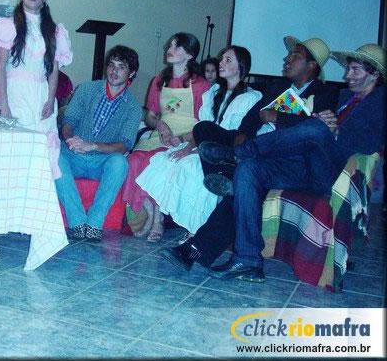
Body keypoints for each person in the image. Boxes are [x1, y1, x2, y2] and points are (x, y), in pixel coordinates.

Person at [160, 44, 385, 283]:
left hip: (331, 171)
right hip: (300, 165)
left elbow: (367, 142)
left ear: (375, 74)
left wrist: (334, 129)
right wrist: (325, 121)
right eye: (348, 69)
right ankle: (243, 260)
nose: (347, 76)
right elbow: (259, 119)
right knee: (248, 172)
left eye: (355, 70)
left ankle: (236, 155)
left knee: (313, 128)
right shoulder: (346, 97)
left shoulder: (380, 101)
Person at [135, 46, 261, 236]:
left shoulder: (250, 98)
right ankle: (158, 220)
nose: (221, 63)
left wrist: (195, 150)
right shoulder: (215, 92)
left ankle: (195, 230)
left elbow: (239, 135)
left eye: (228, 60)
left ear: (240, 67)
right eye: (222, 59)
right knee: (168, 160)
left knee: (192, 170)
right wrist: (187, 147)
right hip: (204, 146)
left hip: (227, 152)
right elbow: (202, 128)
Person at [193, 36, 339, 196]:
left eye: (295, 55)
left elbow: (314, 128)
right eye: (290, 54)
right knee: (203, 128)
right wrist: (243, 133)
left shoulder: (326, 93)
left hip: (281, 151)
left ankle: (235, 165)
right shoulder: (277, 86)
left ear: (311, 65)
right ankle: (225, 178)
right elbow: (254, 114)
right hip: (253, 141)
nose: (287, 58)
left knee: (248, 163)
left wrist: (278, 117)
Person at [121, 32, 210, 242]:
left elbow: (206, 125)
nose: (170, 49)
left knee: (156, 162)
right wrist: (160, 124)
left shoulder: (200, 85)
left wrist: (184, 138)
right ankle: (151, 215)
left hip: (187, 137)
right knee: (133, 161)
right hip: (161, 134)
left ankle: (157, 220)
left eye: (177, 46)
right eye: (170, 45)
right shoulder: (159, 81)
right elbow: (150, 116)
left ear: (190, 55)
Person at [0, 0, 72, 177]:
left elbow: (53, 70)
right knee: (10, 152)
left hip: (41, 95)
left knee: (41, 154)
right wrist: (4, 104)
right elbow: (0, 67)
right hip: (14, 93)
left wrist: (50, 100)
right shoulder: (7, 25)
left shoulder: (55, 31)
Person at [56, 45, 142, 241]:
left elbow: (125, 144)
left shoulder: (133, 108)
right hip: (74, 154)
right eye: (111, 65)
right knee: (54, 157)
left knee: (120, 162)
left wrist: (93, 146)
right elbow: (68, 121)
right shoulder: (86, 89)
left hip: (101, 161)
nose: (114, 71)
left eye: (121, 67)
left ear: (131, 73)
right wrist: (69, 139)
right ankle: (77, 222)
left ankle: (95, 224)